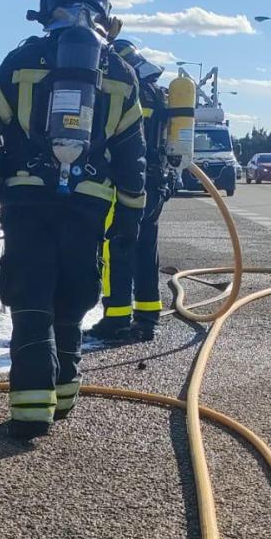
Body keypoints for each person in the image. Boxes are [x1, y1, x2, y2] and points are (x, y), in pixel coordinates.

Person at [0, 0, 145, 439]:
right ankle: (64, 393)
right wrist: (130, 217)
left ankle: (31, 410)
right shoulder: (120, 73)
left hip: (28, 201)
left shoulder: (23, 61)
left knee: (31, 296)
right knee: (72, 296)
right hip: (89, 205)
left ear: (47, 5)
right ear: (104, 8)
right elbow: (134, 157)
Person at [96, 42, 172, 343]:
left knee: (117, 246)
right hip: (157, 182)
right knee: (146, 247)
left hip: (127, 180)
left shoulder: (127, 89)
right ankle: (148, 313)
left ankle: (116, 319)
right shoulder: (158, 93)